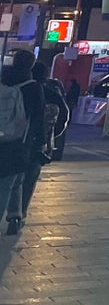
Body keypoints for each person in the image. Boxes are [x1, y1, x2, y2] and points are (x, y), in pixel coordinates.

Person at [0, 50, 44, 234]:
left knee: (12, 179)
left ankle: (15, 215)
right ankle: (13, 216)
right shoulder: (34, 87)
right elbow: (38, 117)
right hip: (20, 140)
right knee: (11, 180)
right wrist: (40, 141)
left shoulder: (3, 79)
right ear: (31, 65)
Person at [32, 62, 68, 166]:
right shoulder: (53, 95)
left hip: (13, 140)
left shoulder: (15, 89)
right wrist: (49, 135)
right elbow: (63, 118)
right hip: (39, 143)